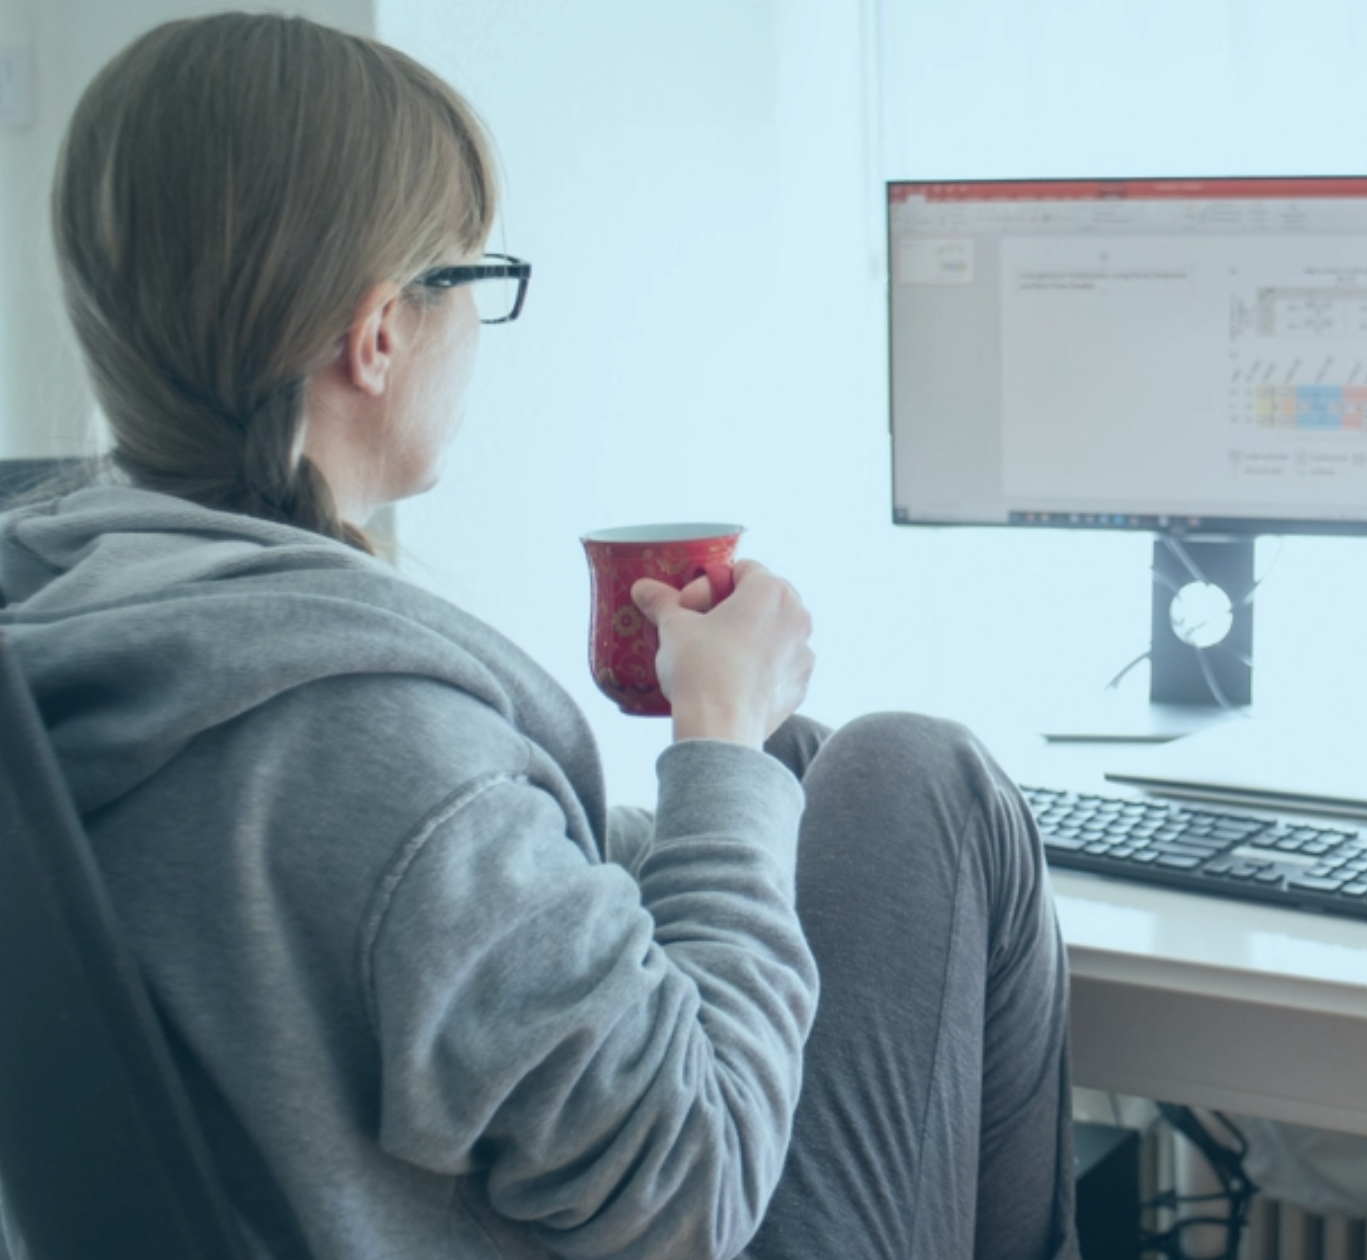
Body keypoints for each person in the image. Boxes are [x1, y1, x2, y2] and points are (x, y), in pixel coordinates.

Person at [0, 13, 1077, 1260]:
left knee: (824, 769)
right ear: (381, 332)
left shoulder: (83, 617)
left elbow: (419, 926)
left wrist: (737, 781)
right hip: (658, 1204)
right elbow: (692, 1184)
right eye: (473, 281)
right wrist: (716, 741)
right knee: (914, 774)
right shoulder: (363, 736)